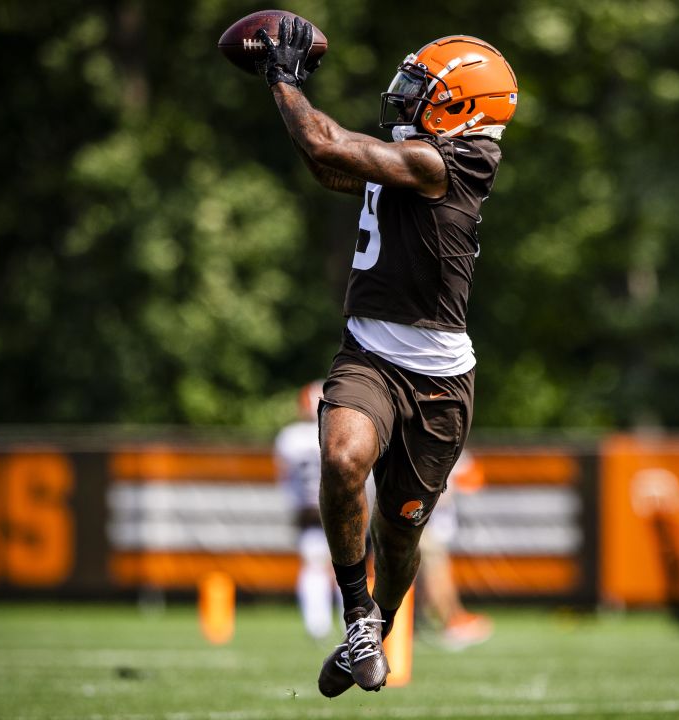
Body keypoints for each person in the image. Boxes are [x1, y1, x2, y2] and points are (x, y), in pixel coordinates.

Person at [255, 19, 517, 695]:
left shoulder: (449, 162)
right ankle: (356, 619)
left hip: (438, 378)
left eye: (423, 90)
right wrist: (289, 100)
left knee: (402, 535)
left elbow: (326, 140)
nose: (405, 98)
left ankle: (379, 621)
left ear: (463, 106)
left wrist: (283, 81)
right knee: (342, 458)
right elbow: (327, 161)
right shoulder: (419, 152)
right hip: (369, 350)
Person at [275, 381, 341, 641]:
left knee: (313, 566)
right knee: (346, 568)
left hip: (307, 509)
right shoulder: (339, 431)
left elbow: (284, 476)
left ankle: (317, 625)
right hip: (338, 508)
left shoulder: (289, 438)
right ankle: (352, 626)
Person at [417, 450, 494, 650]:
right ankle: (449, 620)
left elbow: (472, 480)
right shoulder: (438, 442)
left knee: (437, 570)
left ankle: (452, 617)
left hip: (432, 520)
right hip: (423, 519)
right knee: (435, 571)